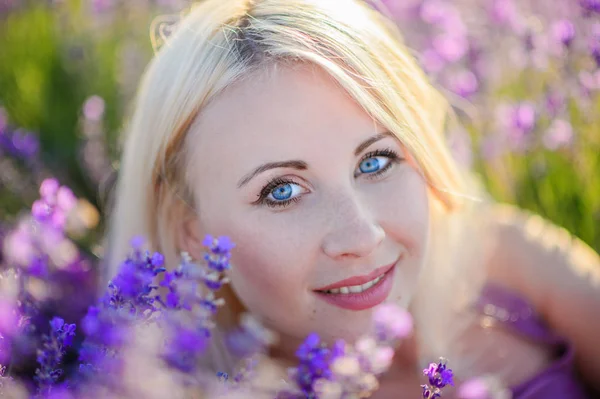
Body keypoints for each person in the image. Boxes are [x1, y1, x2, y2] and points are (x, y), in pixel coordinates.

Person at [106, 0, 600, 397]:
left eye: (376, 161)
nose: (362, 236)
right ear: (193, 233)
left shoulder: (501, 260)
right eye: (281, 191)